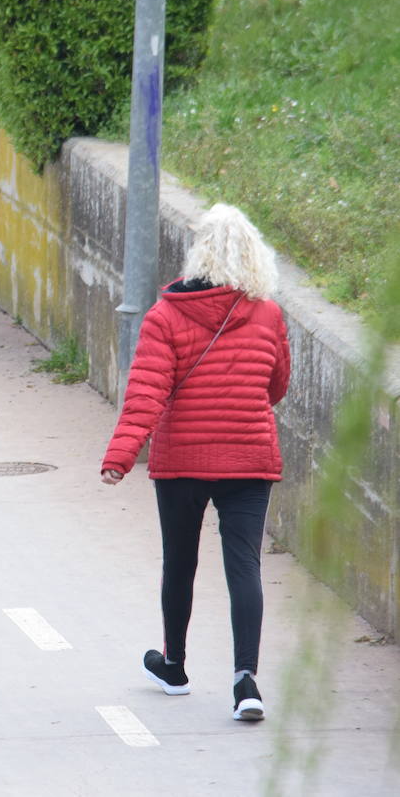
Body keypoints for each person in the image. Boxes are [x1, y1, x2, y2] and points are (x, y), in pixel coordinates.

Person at [101, 203, 291, 723]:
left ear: (198, 252)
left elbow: (146, 394)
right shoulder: (269, 314)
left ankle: (176, 667)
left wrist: (121, 455)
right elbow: (277, 387)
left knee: (180, 561)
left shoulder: (165, 316)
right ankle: (246, 682)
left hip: (182, 459)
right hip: (249, 457)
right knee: (244, 566)